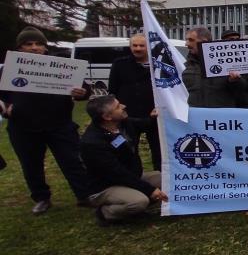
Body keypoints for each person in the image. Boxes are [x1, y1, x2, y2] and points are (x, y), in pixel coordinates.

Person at [1, 26, 94, 214]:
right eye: (28, 44)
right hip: (23, 127)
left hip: (59, 125)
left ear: (45, 47)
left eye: (38, 44)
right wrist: (4, 107)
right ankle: (42, 198)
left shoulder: (61, 65)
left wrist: (82, 93)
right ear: (20, 48)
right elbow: (2, 97)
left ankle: (84, 194)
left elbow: (84, 89)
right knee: (31, 165)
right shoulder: (8, 69)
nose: (34, 48)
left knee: (72, 161)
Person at [81, 95, 167, 225]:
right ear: (107, 117)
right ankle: (105, 212)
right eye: (118, 107)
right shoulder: (92, 143)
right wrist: (149, 190)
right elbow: (118, 173)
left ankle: (136, 196)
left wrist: (153, 117)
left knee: (169, 179)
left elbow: (143, 124)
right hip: (106, 186)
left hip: (131, 177)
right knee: (140, 202)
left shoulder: (122, 123)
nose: (123, 106)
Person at [108, 33, 161, 170]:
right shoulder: (120, 64)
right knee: (129, 152)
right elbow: (112, 90)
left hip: (154, 116)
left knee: (159, 152)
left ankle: (162, 180)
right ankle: (134, 178)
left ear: (148, 47)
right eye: (134, 45)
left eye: (141, 46)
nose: (137, 49)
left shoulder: (159, 64)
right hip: (128, 116)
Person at [182, 26, 248, 108]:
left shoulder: (227, 64)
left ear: (204, 42)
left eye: (191, 40)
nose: (186, 44)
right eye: (186, 40)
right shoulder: (186, 67)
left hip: (220, 118)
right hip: (196, 117)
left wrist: (235, 81)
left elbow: (243, 92)